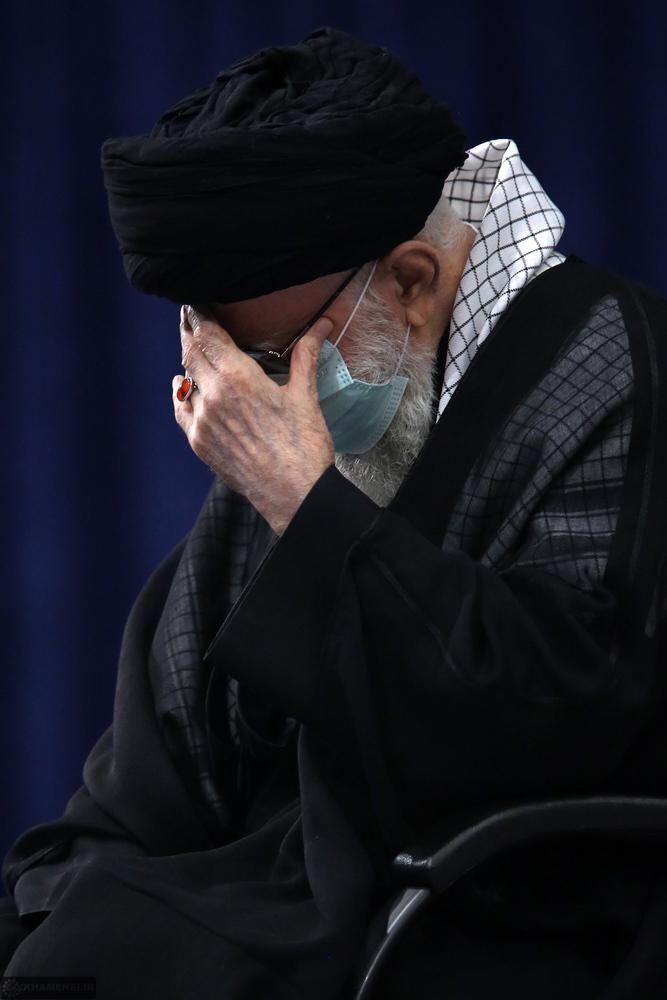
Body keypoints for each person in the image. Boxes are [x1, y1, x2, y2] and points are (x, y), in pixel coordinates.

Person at [2, 24, 667, 1000]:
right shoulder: (338, 410)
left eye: (264, 363)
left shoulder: (611, 365)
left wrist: (303, 501)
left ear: (410, 280)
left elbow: (558, 718)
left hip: (483, 920)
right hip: (280, 905)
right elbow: (158, 770)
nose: (232, 404)